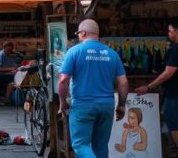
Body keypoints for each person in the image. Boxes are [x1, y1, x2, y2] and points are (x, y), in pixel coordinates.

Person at [58, 19, 128, 158]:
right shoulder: (112, 54)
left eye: (78, 33)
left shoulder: (74, 51)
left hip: (83, 105)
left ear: (83, 33)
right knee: (101, 146)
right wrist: (121, 105)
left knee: (80, 145)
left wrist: (62, 103)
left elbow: (63, 80)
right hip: (107, 105)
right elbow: (123, 83)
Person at [135, 19, 178, 149]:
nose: (169, 34)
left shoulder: (175, 49)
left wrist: (148, 87)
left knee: (174, 124)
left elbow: (168, 72)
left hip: (174, 94)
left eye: (170, 31)